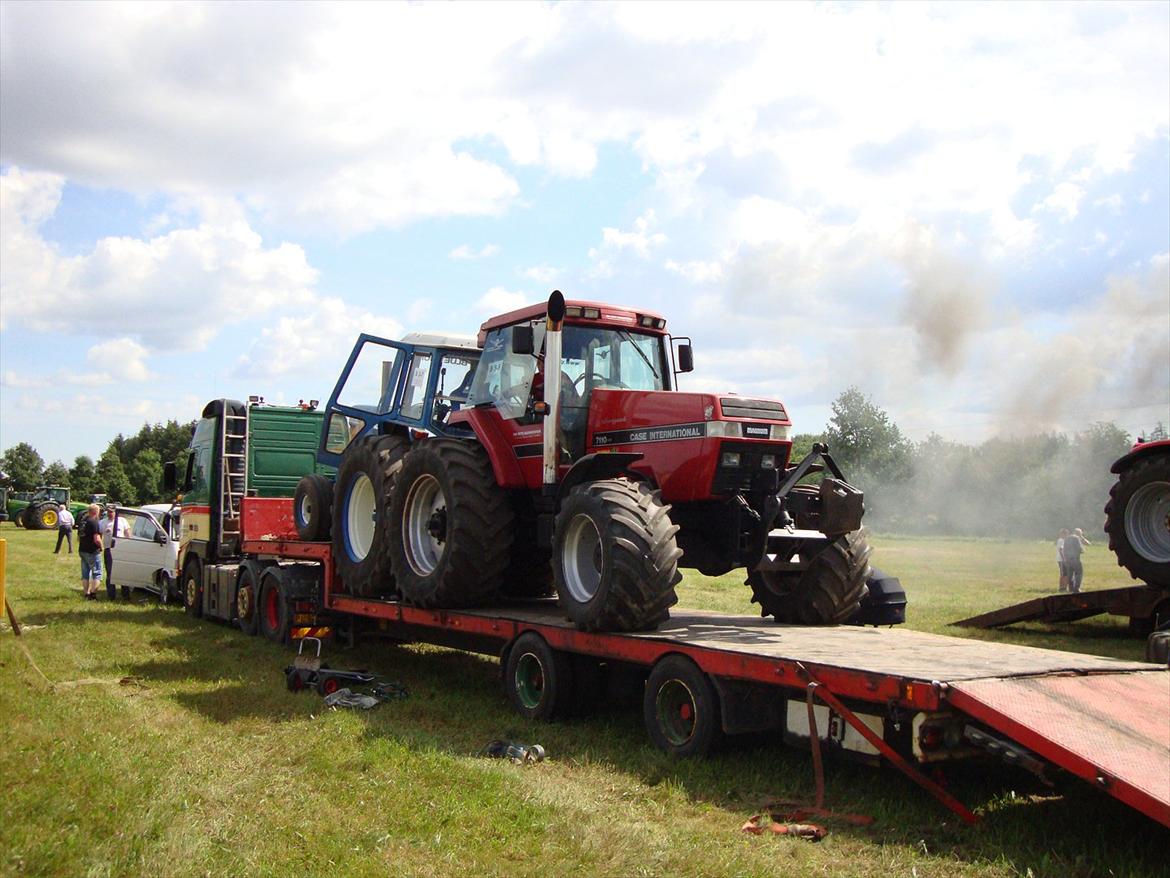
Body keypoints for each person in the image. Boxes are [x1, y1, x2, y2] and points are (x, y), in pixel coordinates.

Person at [78, 504, 103, 600]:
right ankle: (93, 594)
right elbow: (96, 539)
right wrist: (101, 547)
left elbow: (79, 536)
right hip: (92, 551)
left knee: (85, 573)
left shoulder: (83, 521)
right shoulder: (94, 522)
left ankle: (86, 593)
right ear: (96, 512)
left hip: (82, 550)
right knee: (97, 573)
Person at [1063, 527, 1092, 594]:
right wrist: (1083, 550)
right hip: (1075, 559)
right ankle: (1077, 589)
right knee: (1079, 573)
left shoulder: (1067, 538)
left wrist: (1066, 559)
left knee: (1070, 574)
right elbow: (1080, 549)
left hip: (1068, 559)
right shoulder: (1076, 538)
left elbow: (1064, 549)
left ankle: (1071, 588)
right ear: (1079, 533)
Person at [100, 505, 118, 600]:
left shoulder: (122, 521)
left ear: (116, 512)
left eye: (112, 512)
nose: (110, 513)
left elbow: (128, 534)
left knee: (122, 571)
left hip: (121, 549)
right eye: (108, 512)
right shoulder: (102, 522)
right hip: (108, 549)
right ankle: (111, 595)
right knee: (110, 572)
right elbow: (98, 535)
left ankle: (126, 594)